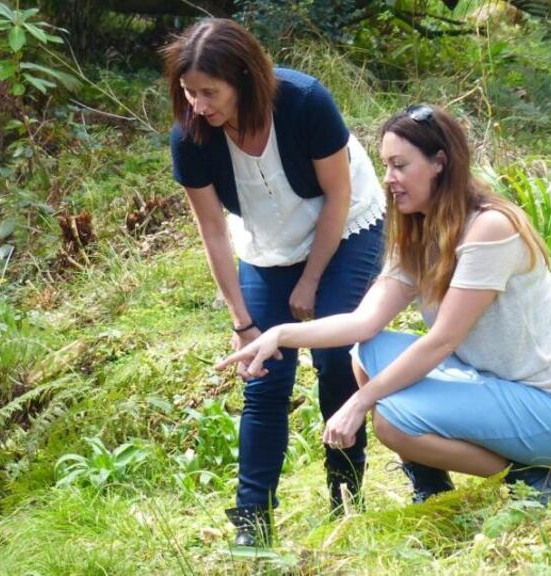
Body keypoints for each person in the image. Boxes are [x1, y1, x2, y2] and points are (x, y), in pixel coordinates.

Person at [218, 104, 551, 510]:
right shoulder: (422, 232)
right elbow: (362, 322)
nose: (389, 180)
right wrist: (281, 334)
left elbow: (441, 342)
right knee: (368, 352)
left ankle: (533, 479)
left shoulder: (489, 227)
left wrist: (358, 404)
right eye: (386, 166)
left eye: (400, 165)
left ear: (439, 163)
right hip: (499, 385)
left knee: (393, 423)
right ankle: (435, 486)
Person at [162, 18, 386, 545]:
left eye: (209, 92)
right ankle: (252, 519)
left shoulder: (305, 101)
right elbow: (213, 231)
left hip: (345, 225)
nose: (198, 104)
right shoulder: (191, 135)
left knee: (334, 354)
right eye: (189, 92)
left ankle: (345, 486)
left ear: (243, 78)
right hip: (267, 245)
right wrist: (243, 322)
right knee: (262, 371)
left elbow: (338, 195)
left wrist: (310, 282)